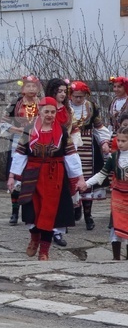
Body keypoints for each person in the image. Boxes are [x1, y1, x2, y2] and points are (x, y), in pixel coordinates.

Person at [8, 97, 83, 261]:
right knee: (32, 211)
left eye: (53, 112)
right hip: (32, 175)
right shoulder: (29, 130)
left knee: (50, 213)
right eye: (46, 111)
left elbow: (71, 155)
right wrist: (12, 176)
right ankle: (34, 237)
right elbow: (20, 153)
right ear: (39, 111)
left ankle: (44, 251)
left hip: (54, 176)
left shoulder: (62, 131)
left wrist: (79, 178)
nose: (50, 115)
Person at [68, 81, 110, 232]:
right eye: (76, 96)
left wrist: (105, 142)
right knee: (71, 178)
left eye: (81, 96)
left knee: (87, 180)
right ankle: (72, 210)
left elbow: (99, 126)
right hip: (70, 146)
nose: (78, 99)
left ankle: (88, 216)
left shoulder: (91, 107)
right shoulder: (66, 108)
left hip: (88, 148)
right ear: (70, 95)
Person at [82, 127, 128, 260]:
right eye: (118, 140)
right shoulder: (114, 157)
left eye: (123, 141)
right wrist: (87, 184)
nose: (120, 143)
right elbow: (102, 174)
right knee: (116, 223)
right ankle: (116, 258)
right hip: (118, 195)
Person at [2, 75, 41, 225]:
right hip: (19, 141)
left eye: (34, 86)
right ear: (22, 88)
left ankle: (33, 211)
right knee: (17, 173)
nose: (31, 89)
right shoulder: (15, 104)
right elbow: (3, 123)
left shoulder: (42, 104)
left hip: (37, 142)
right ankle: (14, 212)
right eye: (28, 86)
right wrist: (16, 129)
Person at [45, 78, 74, 246]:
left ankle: (58, 230)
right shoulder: (44, 109)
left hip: (64, 154)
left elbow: (72, 130)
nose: (63, 94)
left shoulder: (67, 111)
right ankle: (46, 227)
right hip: (47, 156)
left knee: (62, 193)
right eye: (60, 91)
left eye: (65, 91)